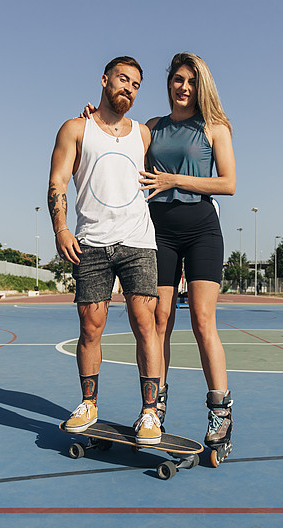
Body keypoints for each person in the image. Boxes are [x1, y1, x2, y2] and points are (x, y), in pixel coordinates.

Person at [87, 52, 236, 462]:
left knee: (204, 322)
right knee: (158, 321)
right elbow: (116, 132)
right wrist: (92, 115)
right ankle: (155, 407)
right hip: (159, 231)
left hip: (202, 227)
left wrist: (172, 179)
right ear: (168, 83)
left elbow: (229, 183)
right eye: (177, 80)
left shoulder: (215, 127)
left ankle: (220, 414)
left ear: (199, 85)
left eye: (191, 81)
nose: (183, 87)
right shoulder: (152, 128)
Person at [48, 56, 163, 446]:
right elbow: (58, 181)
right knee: (90, 327)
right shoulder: (75, 129)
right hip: (91, 243)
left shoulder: (144, 135)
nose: (128, 88)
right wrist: (60, 228)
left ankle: (149, 413)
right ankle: (88, 403)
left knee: (145, 324)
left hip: (138, 241)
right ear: (104, 79)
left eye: (135, 85)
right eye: (122, 79)